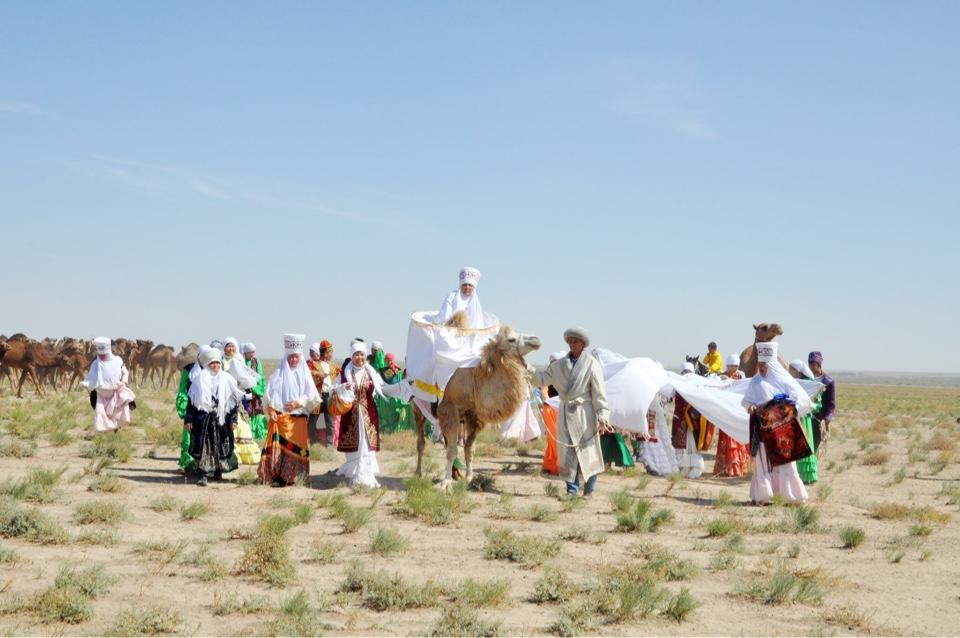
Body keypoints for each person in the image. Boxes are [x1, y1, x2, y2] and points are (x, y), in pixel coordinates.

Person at [530, 327, 610, 497]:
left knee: (588, 452)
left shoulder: (592, 364)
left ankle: (589, 490)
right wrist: (526, 368)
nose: (573, 344)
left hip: (585, 414)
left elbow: (599, 393)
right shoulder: (558, 365)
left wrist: (603, 417)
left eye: (576, 341)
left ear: (583, 344)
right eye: (570, 341)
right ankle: (571, 491)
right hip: (566, 413)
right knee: (567, 453)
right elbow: (542, 379)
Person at [743, 342, 810, 504]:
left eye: (764, 364)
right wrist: (750, 406)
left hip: (782, 427)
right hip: (762, 426)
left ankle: (791, 497)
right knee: (763, 460)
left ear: (771, 364)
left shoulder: (783, 379)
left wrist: (781, 407)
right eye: (759, 364)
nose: (761, 367)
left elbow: (799, 400)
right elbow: (746, 401)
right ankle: (764, 496)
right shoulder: (755, 381)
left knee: (785, 463)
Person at [258, 334, 321, 486]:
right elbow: (269, 396)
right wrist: (272, 411)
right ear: (286, 357)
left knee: (297, 451)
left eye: (296, 357)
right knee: (280, 450)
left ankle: (295, 477)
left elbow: (312, 396)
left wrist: (299, 403)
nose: (293, 360)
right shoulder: (277, 375)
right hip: (281, 420)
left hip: (298, 421)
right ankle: (278, 477)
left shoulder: (305, 375)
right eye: (291, 357)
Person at [185, 347, 245, 486]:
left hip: (221, 420)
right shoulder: (198, 381)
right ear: (207, 365)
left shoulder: (228, 380)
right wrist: (188, 419)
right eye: (212, 363)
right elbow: (192, 402)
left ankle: (218, 471)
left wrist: (234, 419)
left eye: (218, 363)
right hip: (203, 420)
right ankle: (203, 474)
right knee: (205, 447)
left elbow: (233, 402)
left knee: (220, 446)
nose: (215, 366)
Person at [335, 342, 385, 488]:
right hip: (351, 416)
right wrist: (343, 387)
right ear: (352, 356)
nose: (359, 357)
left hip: (368, 414)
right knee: (356, 445)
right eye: (356, 354)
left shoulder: (371, 373)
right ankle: (354, 472)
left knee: (366, 445)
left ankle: (365, 473)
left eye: (362, 354)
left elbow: (383, 387)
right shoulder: (345, 373)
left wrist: (403, 387)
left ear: (365, 356)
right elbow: (334, 388)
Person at [83, 336, 136, 433]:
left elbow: (125, 372)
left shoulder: (118, 360)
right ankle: (105, 433)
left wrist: (124, 382)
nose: (102, 356)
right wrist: (87, 383)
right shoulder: (95, 363)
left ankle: (115, 431)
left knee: (117, 412)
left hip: (115, 393)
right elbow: (91, 377)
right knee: (100, 414)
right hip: (101, 395)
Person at [221, 337, 261, 465]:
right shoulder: (220, 362)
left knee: (240, 424)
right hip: (224, 398)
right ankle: (230, 453)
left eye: (233, 346)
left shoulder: (239, 360)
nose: (231, 348)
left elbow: (246, 380)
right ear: (224, 348)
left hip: (238, 398)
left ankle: (243, 454)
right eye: (228, 346)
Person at [713, 354, 751, 477]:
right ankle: (725, 468)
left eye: (735, 366)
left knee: (737, 440)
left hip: (737, 412)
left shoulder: (741, 376)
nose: (733, 368)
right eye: (731, 366)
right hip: (725, 413)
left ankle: (737, 468)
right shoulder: (721, 376)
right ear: (727, 365)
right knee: (726, 439)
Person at [176, 345, 211, 474]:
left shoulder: (213, 369)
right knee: (188, 438)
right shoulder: (189, 369)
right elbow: (182, 389)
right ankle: (188, 465)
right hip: (191, 409)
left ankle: (205, 466)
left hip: (208, 412)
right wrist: (184, 407)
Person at [789, 359, 821, 484]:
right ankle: (798, 476)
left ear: (797, 371)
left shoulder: (809, 384)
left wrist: (804, 408)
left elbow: (816, 403)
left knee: (805, 444)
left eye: (791, 369)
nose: (789, 371)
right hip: (795, 418)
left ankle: (807, 476)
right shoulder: (793, 382)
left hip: (804, 419)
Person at [672, 362, 704, 478]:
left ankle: (696, 468)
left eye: (688, 372)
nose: (686, 374)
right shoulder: (677, 384)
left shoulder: (696, 386)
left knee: (692, 445)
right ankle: (683, 469)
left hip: (691, 421)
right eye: (684, 372)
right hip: (679, 419)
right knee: (680, 446)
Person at [307, 340, 338, 446]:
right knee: (312, 421)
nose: (332, 355)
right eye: (330, 352)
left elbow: (342, 372)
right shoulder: (313, 364)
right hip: (318, 396)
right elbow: (306, 372)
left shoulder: (333, 366)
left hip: (328, 396)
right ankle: (313, 442)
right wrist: (317, 373)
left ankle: (329, 443)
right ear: (325, 353)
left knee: (330, 422)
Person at [376, 352, 415, 434]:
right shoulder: (386, 372)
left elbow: (401, 383)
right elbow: (387, 384)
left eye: (391, 360)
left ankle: (398, 430)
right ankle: (389, 431)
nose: (389, 362)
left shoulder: (399, 371)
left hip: (397, 397)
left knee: (400, 414)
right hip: (388, 398)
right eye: (387, 361)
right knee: (389, 415)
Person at [808, 351, 836, 456]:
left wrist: (827, 419)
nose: (810, 366)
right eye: (809, 363)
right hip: (806, 417)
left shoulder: (828, 381)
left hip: (819, 419)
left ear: (819, 364)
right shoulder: (806, 379)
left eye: (813, 363)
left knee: (814, 447)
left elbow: (831, 404)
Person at [241, 342, 268, 444]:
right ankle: (248, 433)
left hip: (255, 392)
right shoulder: (241, 361)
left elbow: (260, 376)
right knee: (246, 412)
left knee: (256, 412)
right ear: (245, 353)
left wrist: (258, 389)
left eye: (253, 352)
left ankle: (257, 434)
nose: (252, 355)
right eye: (250, 353)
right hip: (245, 392)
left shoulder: (256, 362)